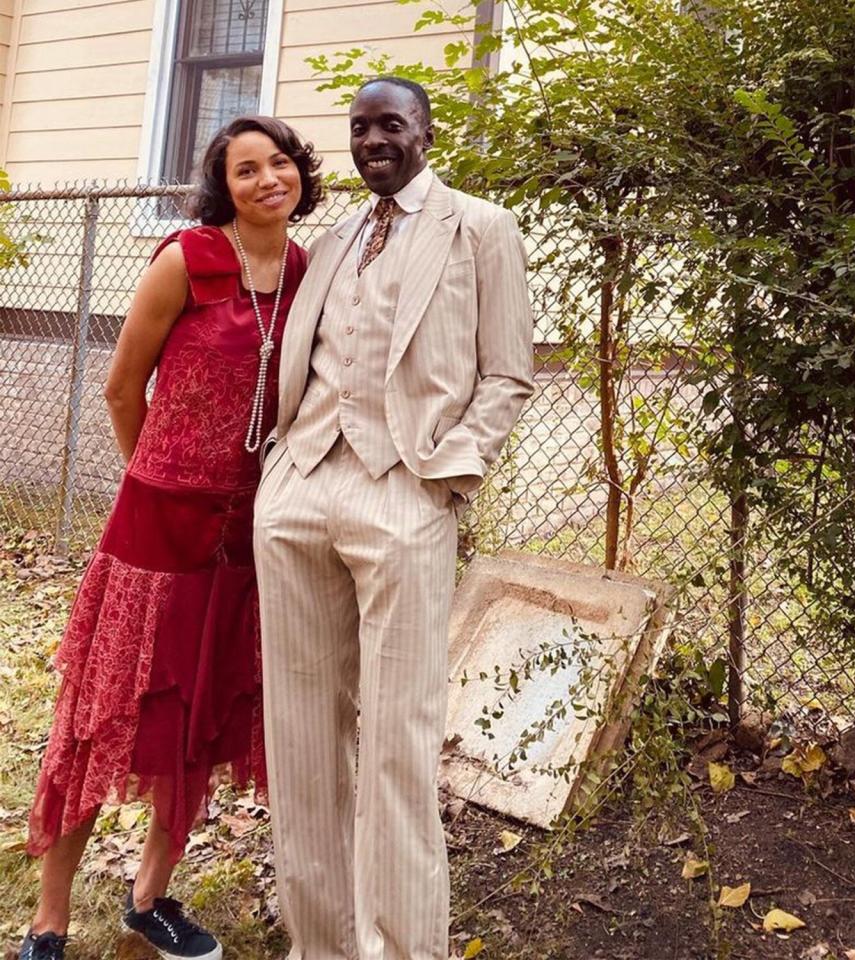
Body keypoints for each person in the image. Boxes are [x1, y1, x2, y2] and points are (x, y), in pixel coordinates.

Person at [18, 116, 317, 960]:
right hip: (158, 527)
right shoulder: (186, 258)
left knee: (201, 718)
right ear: (225, 184)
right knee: (102, 712)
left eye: (280, 162)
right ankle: (49, 920)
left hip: (249, 533)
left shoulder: (305, 271)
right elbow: (121, 388)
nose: (268, 179)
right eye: (246, 168)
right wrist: (158, 480)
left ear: (300, 172)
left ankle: (150, 899)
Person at [254, 77, 534, 960]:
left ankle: (408, 949)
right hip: (300, 486)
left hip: (404, 493)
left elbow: (509, 373)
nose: (373, 139)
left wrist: (448, 472)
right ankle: (323, 944)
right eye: (359, 127)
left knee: (399, 744)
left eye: (391, 124)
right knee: (300, 741)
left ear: (424, 131)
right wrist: (277, 471)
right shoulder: (331, 240)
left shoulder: (481, 228)